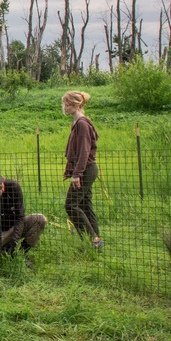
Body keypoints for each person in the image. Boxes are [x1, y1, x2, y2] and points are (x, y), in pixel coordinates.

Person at [0, 175, 47, 269]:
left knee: (40, 219)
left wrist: (14, 240)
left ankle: (22, 254)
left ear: (2, 186)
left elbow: (20, 217)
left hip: (15, 227)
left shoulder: (14, 188)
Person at [62, 90, 102, 248]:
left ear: (76, 105)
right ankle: (96, 240)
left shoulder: (82, 124)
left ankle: (93, 239)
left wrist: (77, 175)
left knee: (71, 205)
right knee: (85, 205)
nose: (64, 107)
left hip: (86, 170)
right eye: (64, 104)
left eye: (67, 104)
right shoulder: (76, 123)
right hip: (84, 169)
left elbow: (84, 152)